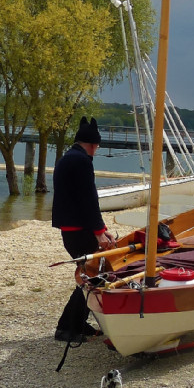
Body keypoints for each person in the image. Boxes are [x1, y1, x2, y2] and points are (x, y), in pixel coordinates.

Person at [51, 117, 116, 343]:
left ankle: (75, 324)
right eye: (97, 146)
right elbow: (88, 199)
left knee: (89, 278)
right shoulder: (82, 161)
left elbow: (83, 200)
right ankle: (67, 328)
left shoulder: (66, 158)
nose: (96, 150)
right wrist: (99, 231)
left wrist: (102, 228)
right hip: (79, 230)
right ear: (92, 144)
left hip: (71, 229)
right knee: (91, 280)